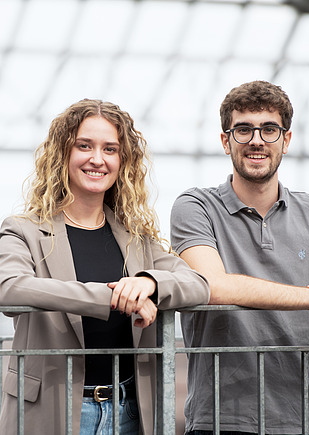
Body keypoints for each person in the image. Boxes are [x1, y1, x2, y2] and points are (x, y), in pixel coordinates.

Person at [0, 99, 210, 435]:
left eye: (110, 149)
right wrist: (110, 297)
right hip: (54, 407)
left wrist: (148, 283)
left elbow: (199, 283)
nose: (97, 159)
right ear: (62, 154)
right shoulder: (23, 229)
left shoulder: (135, 238)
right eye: (84, 146)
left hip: (130, 409)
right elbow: (8, 288)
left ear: (122, 162)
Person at [170, 80, 309, 435]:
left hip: (299, 421)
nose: (257, 140)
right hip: (218, 421)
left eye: (269, 129)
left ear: (286, 141)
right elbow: (213, 286)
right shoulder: (196, 207)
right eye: (244, 130)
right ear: (226, 141)